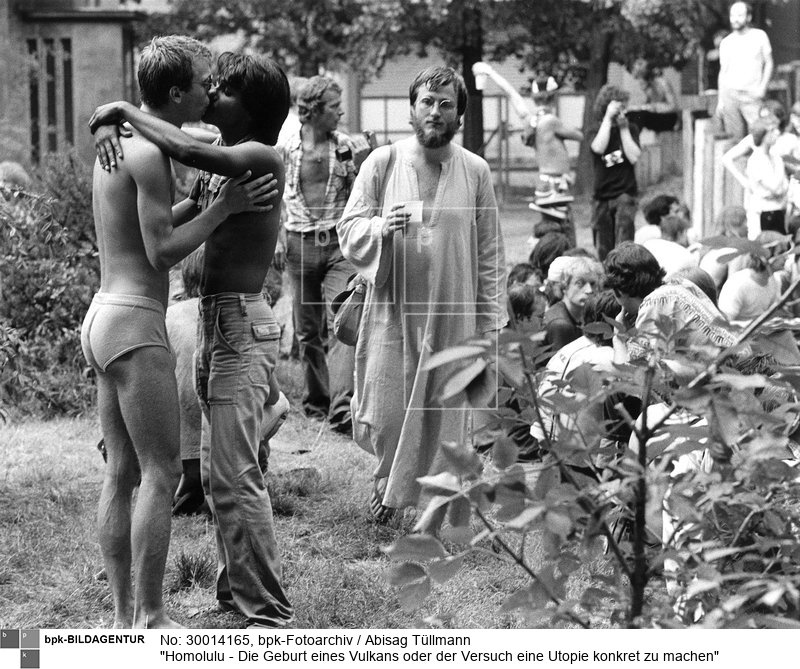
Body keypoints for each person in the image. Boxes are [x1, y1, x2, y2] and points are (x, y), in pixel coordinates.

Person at [90, 50, 295, 628]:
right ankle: (222, 598)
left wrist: (120, 111)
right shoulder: (215, 159)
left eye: (223, 89)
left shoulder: (259, 155)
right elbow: (175, 213)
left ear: (250, 107)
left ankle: (264, 610)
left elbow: (187, 149)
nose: (212, 94)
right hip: (204, 321)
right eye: (209, 84)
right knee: (212, 473)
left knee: (231, 474)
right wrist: (121, 121)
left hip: (237, 323)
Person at [337, 65, 507, 521]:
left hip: (454, 314)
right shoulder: (382, 162)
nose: (435, 111)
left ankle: (429, 504)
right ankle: (389, 477)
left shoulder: (475, 171)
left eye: (445, 104)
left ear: (459, 116)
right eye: (427, 102)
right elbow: (348, 228)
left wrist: (490, 321)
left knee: (445, 415)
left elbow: (490, 250)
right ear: (411, 110)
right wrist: (379, 227)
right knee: (387, 410)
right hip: (393, 311)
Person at [276, 75, 373, 434]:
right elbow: (275, 195)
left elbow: (363, 196)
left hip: (337, 245)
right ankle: (316, 400)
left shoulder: (345, 147)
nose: (341, 112)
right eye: (334, 107)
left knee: (343, 321)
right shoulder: (286, 148)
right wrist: (277, 239)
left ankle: (341, 407)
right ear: (314, 110)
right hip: (299, 244)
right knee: (307, 332)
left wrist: (364, 164)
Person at [471, 62, 583, 242]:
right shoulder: (551, 121)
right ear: (552, 97)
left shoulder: (530, 120)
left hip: (545, 182)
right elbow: (579, 136)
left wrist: (491, 73)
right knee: (563, 230)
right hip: (557, 184)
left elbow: (511, 94)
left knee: (551, 228)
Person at [590, 84, 641, 261]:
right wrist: (608, 118)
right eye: (619, 105)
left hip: (625, 194)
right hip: (601, 197)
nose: (623, 110)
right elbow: (598, 148)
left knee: (624, 247)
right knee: (603, 247)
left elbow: (634, 156)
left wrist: (623, 128)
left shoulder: (631, 128)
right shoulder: (595, 129)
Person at [716, 1, 773, 141]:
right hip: (730, 96)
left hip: (752, 95)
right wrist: (721, 100)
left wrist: (762, 88)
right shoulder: (726, 42)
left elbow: (769, 63)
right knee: (735, 140)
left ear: (748, 17)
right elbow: (723, 72)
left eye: (740, 15)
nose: (735, 19)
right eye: (732, 15)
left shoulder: (759, 36)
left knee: (759, 137)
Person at [543, 256, 604, 355]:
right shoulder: (560, 324)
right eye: (580, 283)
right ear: (564, 286)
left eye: (592, 283)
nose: (589, 290)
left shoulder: (580, 315)